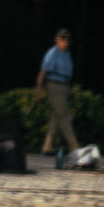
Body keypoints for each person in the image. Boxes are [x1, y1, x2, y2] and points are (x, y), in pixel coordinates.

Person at [37, 28, 79, 167]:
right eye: (62, 39)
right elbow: (43, 72)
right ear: (57, 40)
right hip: (54, 85)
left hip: (65, 85)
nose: (65, 42)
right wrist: (39, 92)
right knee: (64, 116)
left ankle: (48, 147)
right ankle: (75, 148)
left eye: (67, 39)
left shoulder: (67, 53)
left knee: (57, 116)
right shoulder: (52, 53)